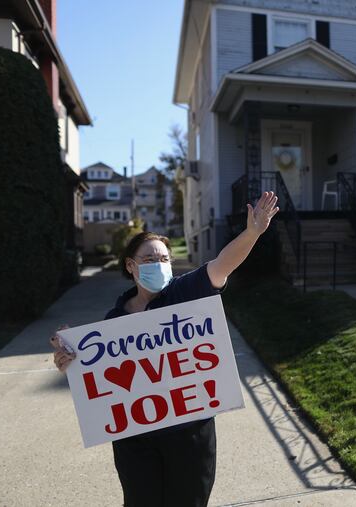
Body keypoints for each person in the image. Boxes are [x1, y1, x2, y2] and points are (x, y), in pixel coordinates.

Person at [50, 191, 279, 507]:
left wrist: (252, 233)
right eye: (149, 259)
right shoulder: (115, 321)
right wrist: (70, 361)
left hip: (189, 437)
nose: (158, 264)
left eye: (164, 259)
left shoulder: (186, 291)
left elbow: (224, 264)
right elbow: (97, 375)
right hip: (135, 442)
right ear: (131, 266)